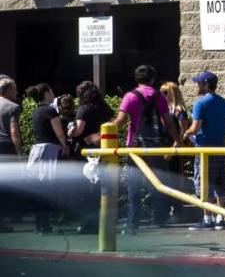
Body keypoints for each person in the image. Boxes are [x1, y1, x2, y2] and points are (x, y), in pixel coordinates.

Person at [112, 65, 181, 235]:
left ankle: (132, 223)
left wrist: (102, 132)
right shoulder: (159, 97)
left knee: (133, 186)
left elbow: (120, 121)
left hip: (135, 146)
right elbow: (169, 122)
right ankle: (160, 217)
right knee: (157, 183)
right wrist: (178, 140)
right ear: (152, 79)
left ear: (136, 79)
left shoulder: (130, 96)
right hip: (155, 145)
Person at [183, 71, 225, 231]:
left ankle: (207, 219)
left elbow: (195, 127)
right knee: (220, 184)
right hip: (220, 148)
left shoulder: (200, 104)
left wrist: (186, 133)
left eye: (199, 83)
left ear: (206, 84)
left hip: (204, 150)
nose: (197, 85)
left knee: (204, 184)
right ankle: (220, 218)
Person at [68, 81, 114, 233]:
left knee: (86, 188)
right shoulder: (104, 107)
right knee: (102, 187)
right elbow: (114, 122)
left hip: (86, 153)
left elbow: (78, 130)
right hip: (103, 151)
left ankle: (89, 224)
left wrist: (70, 131)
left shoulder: (84, 108)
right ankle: (105, 220)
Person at [26, 83, 69, 234]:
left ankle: (40, 225)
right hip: (49, 151)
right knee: (48, 188)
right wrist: (65, 146)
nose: (53, 94)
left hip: (36, 151)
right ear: (46, 93)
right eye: (51, 91)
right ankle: (45, 227)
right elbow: (60, 133)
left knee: (39, 189)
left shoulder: (37, 111)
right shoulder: (50, 111)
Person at [160, 81, 190, 223]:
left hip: (174, 152)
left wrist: (172, 151)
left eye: (164, 93)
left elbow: (183, 133)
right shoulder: (163, 110)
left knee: (175, 182)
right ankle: (164, 212)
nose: (161, 96)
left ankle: (178, 212)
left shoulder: (179, 111)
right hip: (160, 150)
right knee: (163, 182)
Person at [0, 77, 21, 233]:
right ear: (7, 91)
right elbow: (14, 131)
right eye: (14, 89)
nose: (16, 92)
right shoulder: (12, 107)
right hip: (6, 146)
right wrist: (19, 152)